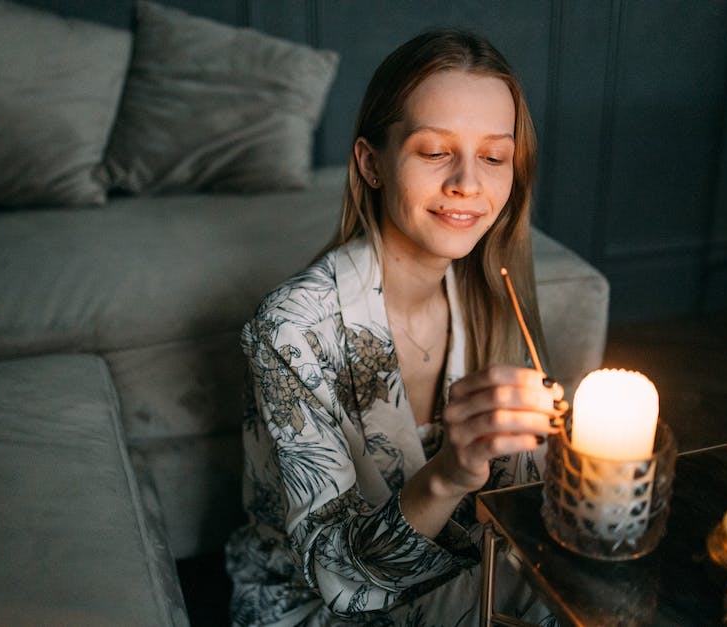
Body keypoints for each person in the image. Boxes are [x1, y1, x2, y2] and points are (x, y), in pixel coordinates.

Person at [226, 29, 565, 627]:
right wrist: (450, 474)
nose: (468, 181)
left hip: (461, 577)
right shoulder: (289, 330)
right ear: (372, 163)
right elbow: (335, 579)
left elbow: (518, 507)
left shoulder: (494, 290)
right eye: (434, 151)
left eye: (493, 156)